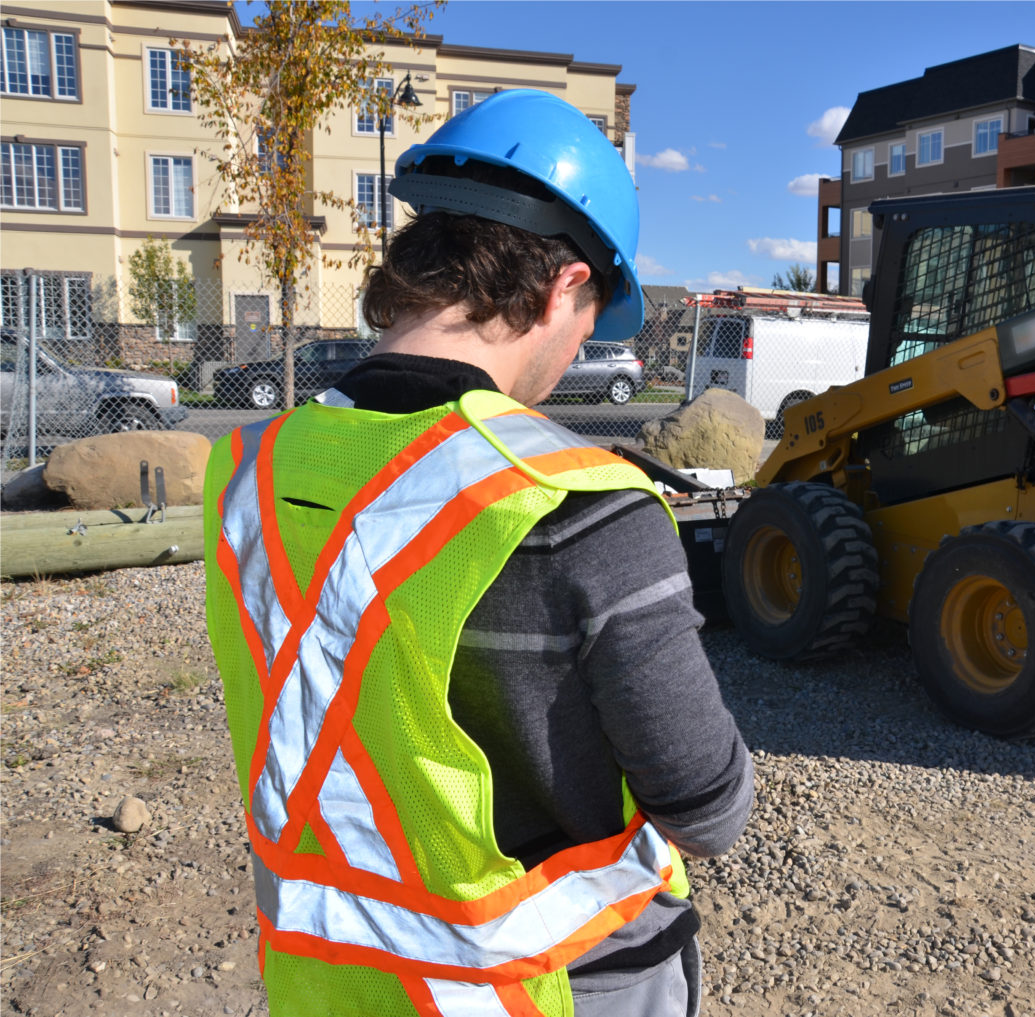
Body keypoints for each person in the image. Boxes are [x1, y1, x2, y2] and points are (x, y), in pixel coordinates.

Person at [203, 89, 753, 1017]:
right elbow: (708, 810)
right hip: (548, 988)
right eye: (589, 323)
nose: (577, 349)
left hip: (331, 982)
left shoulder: (250, 471)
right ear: (562, 285)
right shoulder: (583, 505)